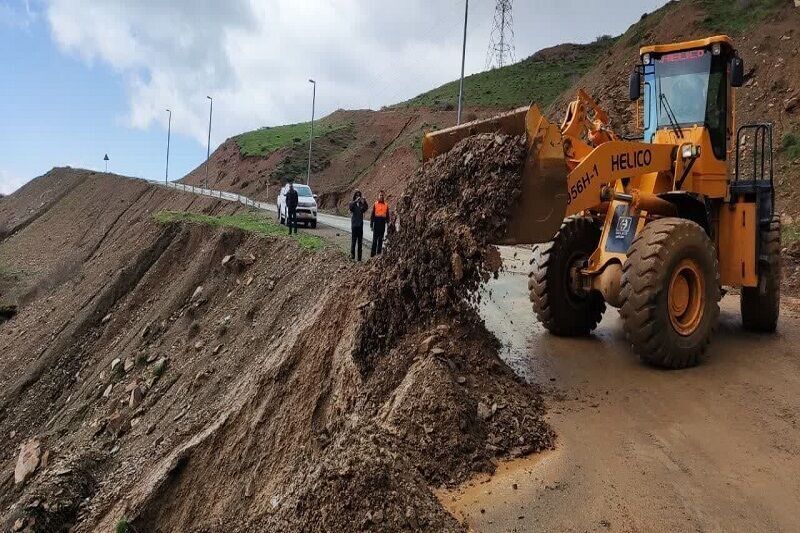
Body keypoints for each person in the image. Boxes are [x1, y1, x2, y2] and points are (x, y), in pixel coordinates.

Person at [348, 190, 369, 261]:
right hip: (354, 225)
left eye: (359, 195)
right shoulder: (352, 203)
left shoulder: (361, 205)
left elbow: (366, 208)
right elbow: (350, 207)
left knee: (360, 242)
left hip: (360, 226)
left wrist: (365, 201)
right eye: (356, 195)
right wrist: (355, 201)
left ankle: (359, 258)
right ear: (355, 196)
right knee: (353, 241)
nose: (358, 197)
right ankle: (352, 255)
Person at [370, 190, 389, 257]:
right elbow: (372, 215)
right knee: (374, 241)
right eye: (380, 195)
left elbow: (387, 216)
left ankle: (378, 255)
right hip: (376, 224)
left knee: (380, 241)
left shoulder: (386, 205)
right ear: (378, 196)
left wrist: (388, 223)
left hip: (382, 225)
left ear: (384, 196)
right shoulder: (375, 204)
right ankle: (372, 255)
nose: (381, 196)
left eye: (382, 195)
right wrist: (371, 225)